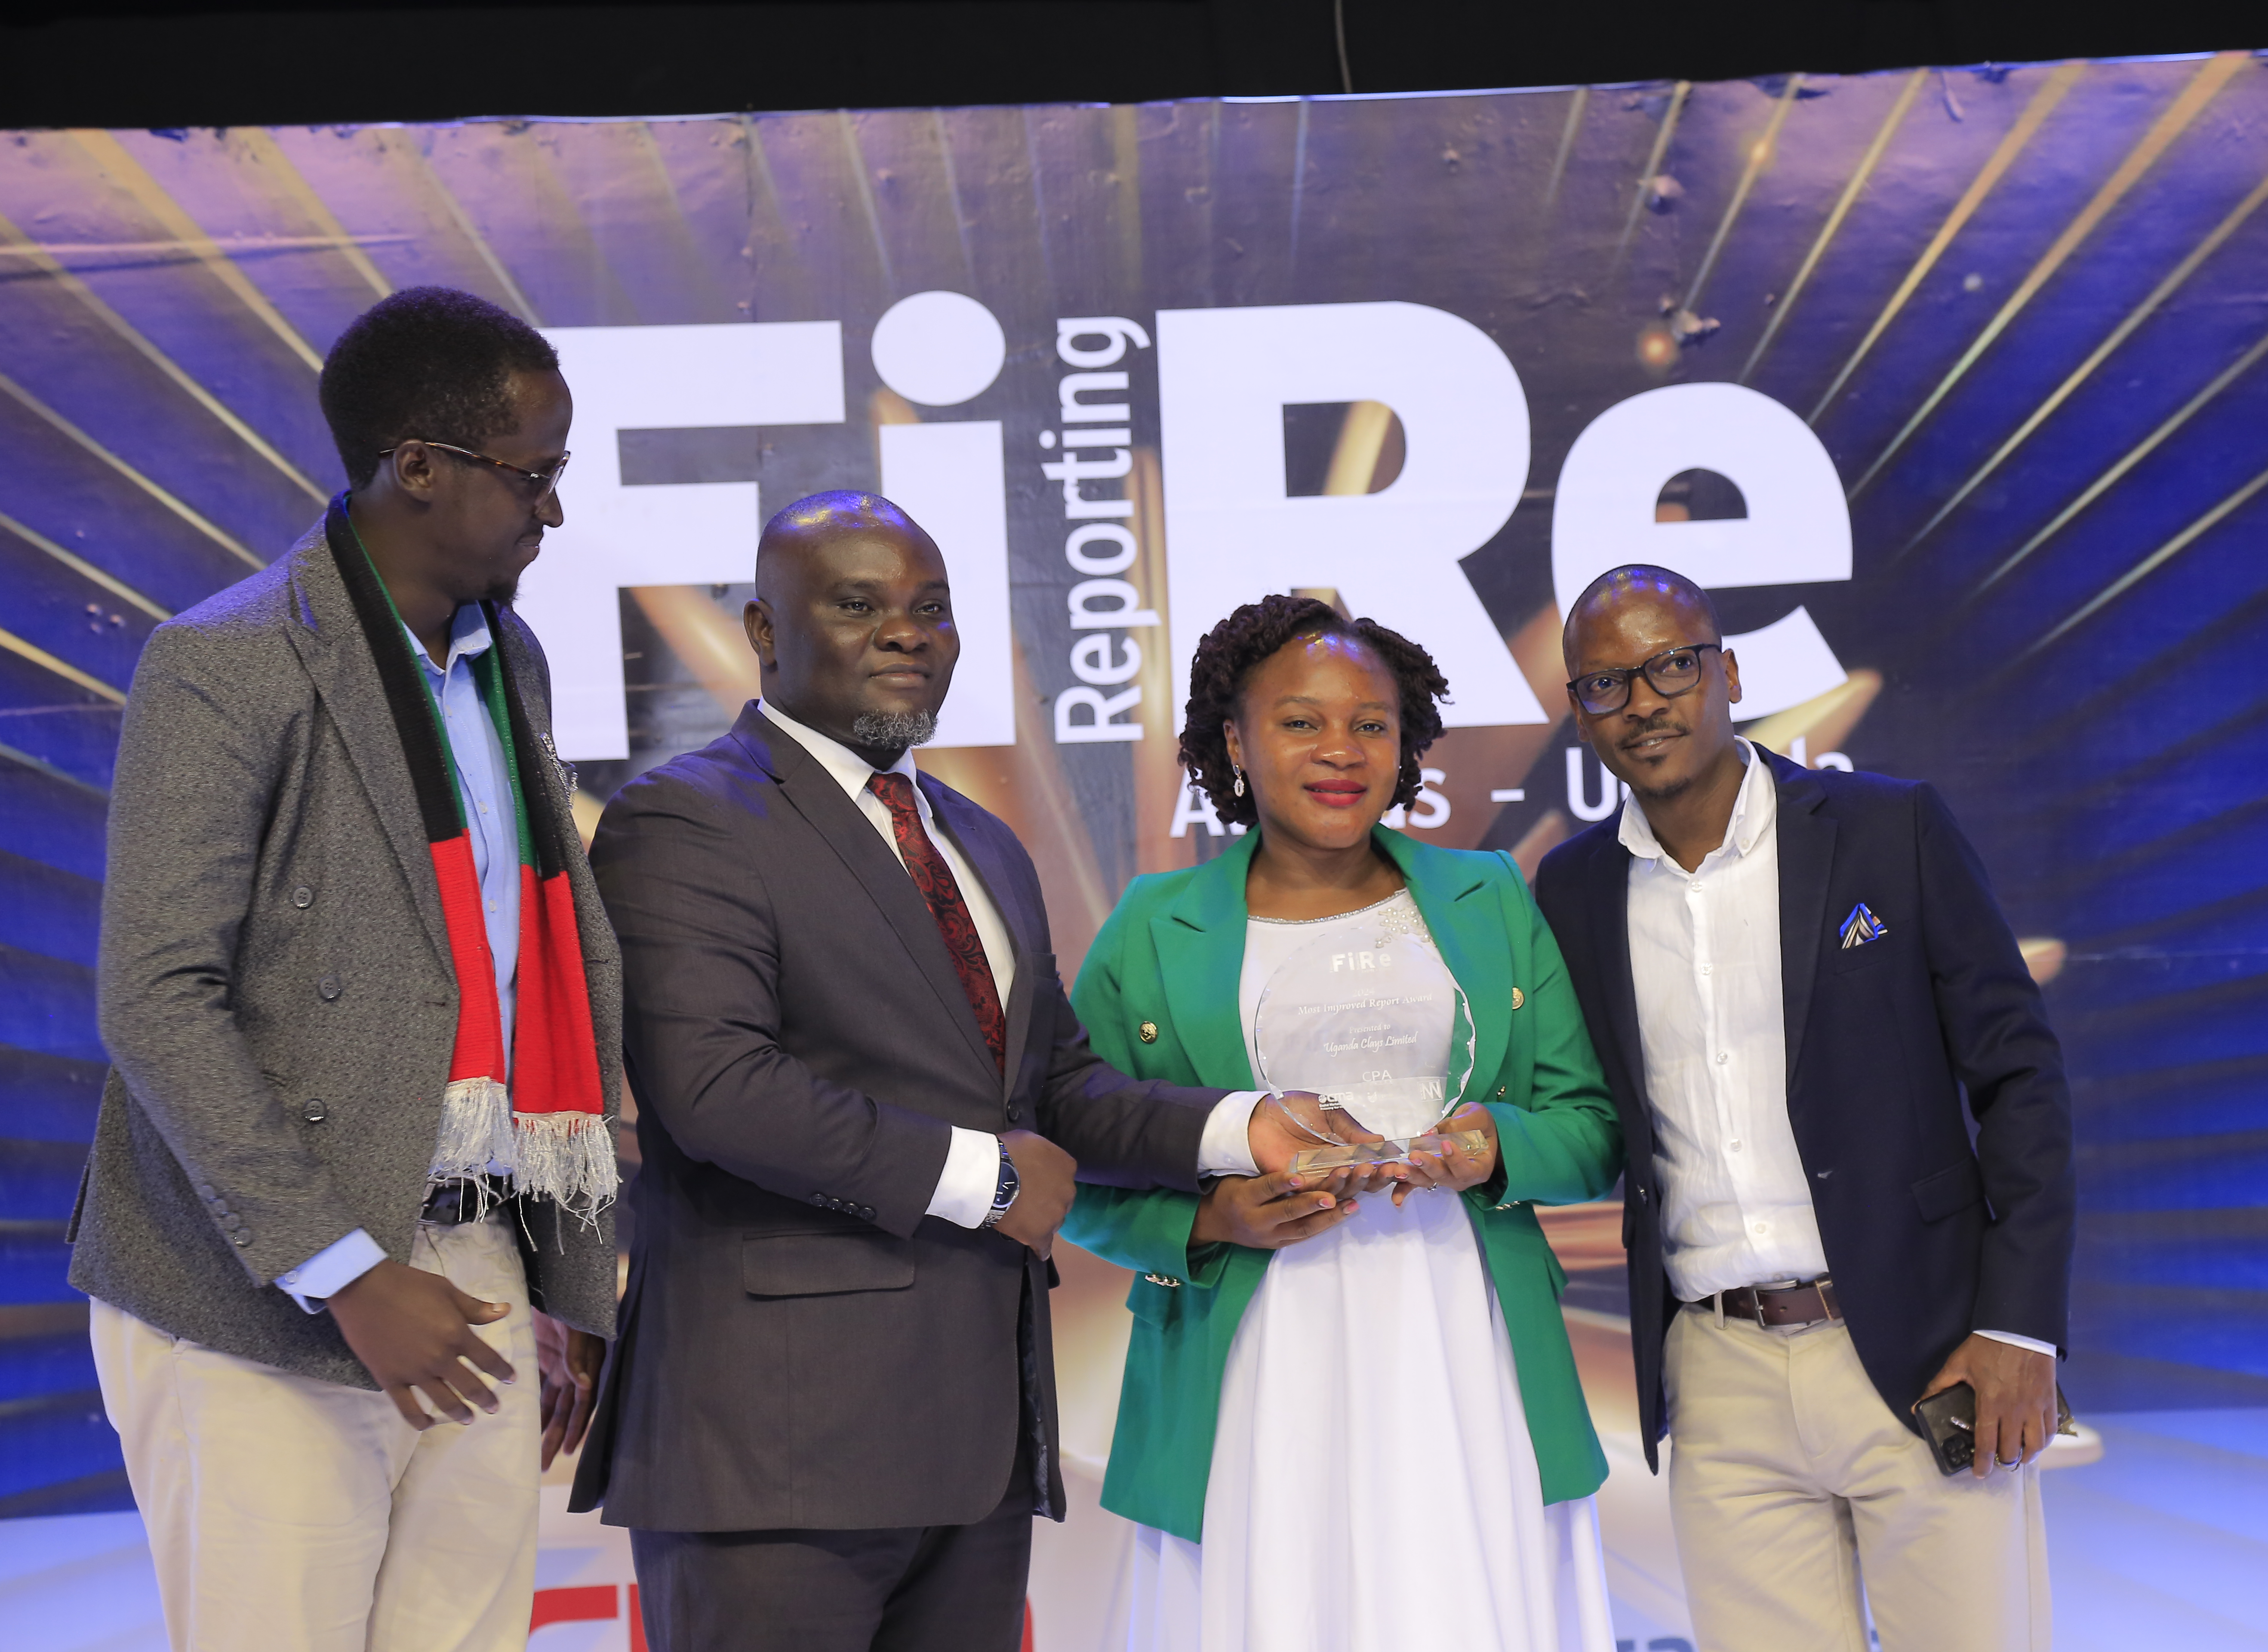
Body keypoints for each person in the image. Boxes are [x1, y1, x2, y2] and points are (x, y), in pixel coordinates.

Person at [575, 493, 1341, 1652]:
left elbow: (1059, 1093)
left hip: (976, 1444)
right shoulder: (683, 819)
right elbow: (715, 1088)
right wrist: (982, 1180)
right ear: (764, 632)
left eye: (930, 609)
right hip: (775, 1455)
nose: (906, 633)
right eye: (859, 605)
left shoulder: (976, 841)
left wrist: (1247, 1128)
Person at [69, 286, 622, 1652]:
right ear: (418, 467)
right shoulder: (225, 661)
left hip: (476, 1247)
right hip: (260, 1284)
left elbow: (526, 977)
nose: (551, 512)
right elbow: (157, 995)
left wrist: (574, 1282)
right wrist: (348, 1273)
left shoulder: (513, 663)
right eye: (533, 475)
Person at [1065, 595, 1626, 1652]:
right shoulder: (1152, 925)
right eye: (1300, 721)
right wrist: (1211, 1222)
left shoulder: (1490, 896)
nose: (1342, 750)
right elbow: (1075, 1157)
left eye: (1372, 723)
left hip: (1464, 1336)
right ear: (1235, 741)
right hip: (1254, 1357)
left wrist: (1492, 1146)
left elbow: (1593, 1126)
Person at [1533, 564, 2075, 1652]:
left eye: (1672, 665)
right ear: (1579, 715)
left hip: (1925, 1349)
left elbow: (2020, 1078)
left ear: (1726, 671)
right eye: (1605, 684)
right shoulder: (1573, 891)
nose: (1644, 701)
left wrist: (2018, 1326)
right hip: (1718, 1371)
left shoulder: (1888, 831)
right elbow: (1599, 1122)